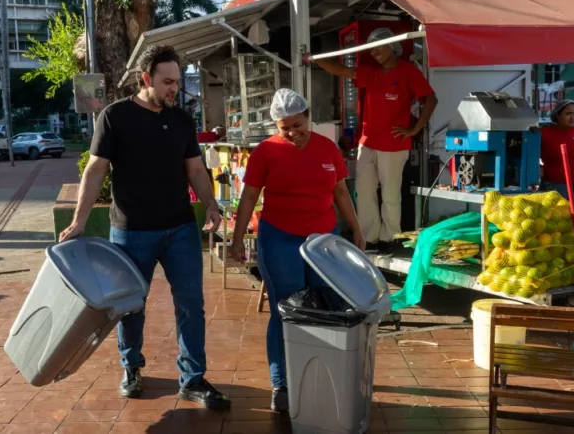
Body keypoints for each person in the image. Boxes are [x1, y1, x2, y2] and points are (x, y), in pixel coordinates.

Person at [59, 45, 231, 410]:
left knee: (191, 305)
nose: (174, 89)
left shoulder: (182, 120)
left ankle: (193, 378)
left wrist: (212, 205)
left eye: (178, 82)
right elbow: (95, 171)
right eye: (167, 82)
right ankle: (132, 367)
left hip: (181, 229)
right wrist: (78, 221)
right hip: (131, 231)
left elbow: (196, 170)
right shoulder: (115, 117)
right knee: (130, 306)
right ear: (145, 79)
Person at [229, 89, 365, 412]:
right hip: (280, 239)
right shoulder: (265, 152)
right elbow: (248, 197)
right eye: (284, 127)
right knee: (285, 310)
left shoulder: (328, 149)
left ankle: (319, 371)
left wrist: (357, 228)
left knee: (323, 308)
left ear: (308, 117)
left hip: (322, 242)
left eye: (297, 125)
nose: (292, 133)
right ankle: (282, 383)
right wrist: (236, 239)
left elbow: (341, 192)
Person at [310, 27, 438, 253]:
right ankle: (370, 238)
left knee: (390, 193)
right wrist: (314, 58)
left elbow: (430, 100)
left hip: (394, 144)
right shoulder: (372, 72)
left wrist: (414, 129)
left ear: (393, 46)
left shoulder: (408, 71)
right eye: (372, 47)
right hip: (367, 143)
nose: (375, 51)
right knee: (363, 190)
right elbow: (342, 71)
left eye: (380, 46)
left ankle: (392, 239)